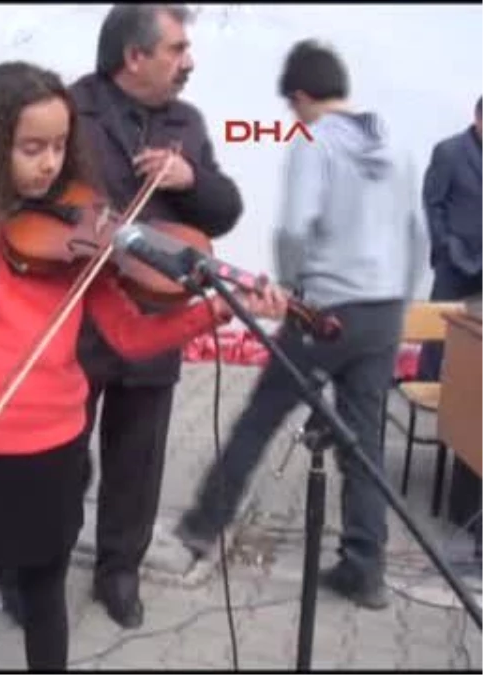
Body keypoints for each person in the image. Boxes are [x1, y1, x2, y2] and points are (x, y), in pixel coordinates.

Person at [0, 61, 287, 671]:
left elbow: (131, 333)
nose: (49, 162)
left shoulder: (82, 240)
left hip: (56, 450)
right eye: (31, 148)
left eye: (60, 146)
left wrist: (217, 313)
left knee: (46, 596)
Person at [0, 4, 246, 631]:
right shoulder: (70, 108)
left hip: (153, 315)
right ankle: (26, 568)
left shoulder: (186, 122)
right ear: (135, 56)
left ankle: (119, 573)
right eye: (177, 49)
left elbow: (224, 209)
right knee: (57, 461)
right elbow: (24, 191)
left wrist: (189, 178)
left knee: (137, 461)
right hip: (76, 317)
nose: (188, 62)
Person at [174, 40, 428, 611]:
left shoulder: (311, 142)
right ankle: (365, 569)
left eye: (293, 108)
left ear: (301, 97)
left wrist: (290, 291)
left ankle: (201, 524)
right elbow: (417, 237)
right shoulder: (395, 147)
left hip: (324, 310)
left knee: (261, 416)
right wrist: (398, 302)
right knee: (364, 442)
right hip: (384, 312)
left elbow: (292, 229)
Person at [417, 94, 483, 381]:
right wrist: (446, 246)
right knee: (437, 331)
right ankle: (426, 382)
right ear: (478, 118)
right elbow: (433, 204)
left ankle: (470, 392)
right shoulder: (449, 151)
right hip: (455, 258)